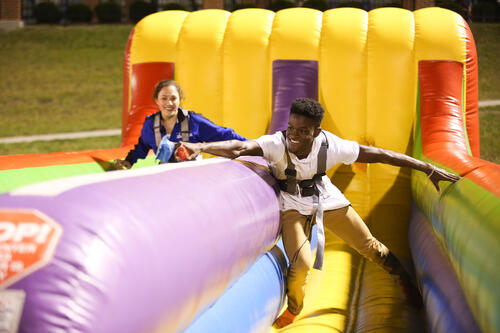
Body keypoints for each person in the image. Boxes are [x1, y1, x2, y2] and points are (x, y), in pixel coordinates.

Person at [178, 98, 460, 328]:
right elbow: (240, 147)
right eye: (291, 128)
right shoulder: (278, 143)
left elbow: (380, 154)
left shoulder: (331, 144)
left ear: (316, 131)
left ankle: (402, 278)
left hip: (326, 199)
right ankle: (295, 307)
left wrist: (427, 168)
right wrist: (200, 146)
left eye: (302, 131)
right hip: (292, 206)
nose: (294, 136)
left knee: (371, 247)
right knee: (301, 262)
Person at [114, 80, 246, 169]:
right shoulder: (150, 125)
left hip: (194, 177)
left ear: (179, 99)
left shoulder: (193, 121)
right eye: (164, 98)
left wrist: (253, 145)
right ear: (156, 100)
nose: (169, 103)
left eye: (173, 98)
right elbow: (141, 147)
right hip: (166, 179)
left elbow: (224, 134)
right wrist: (129, 161)